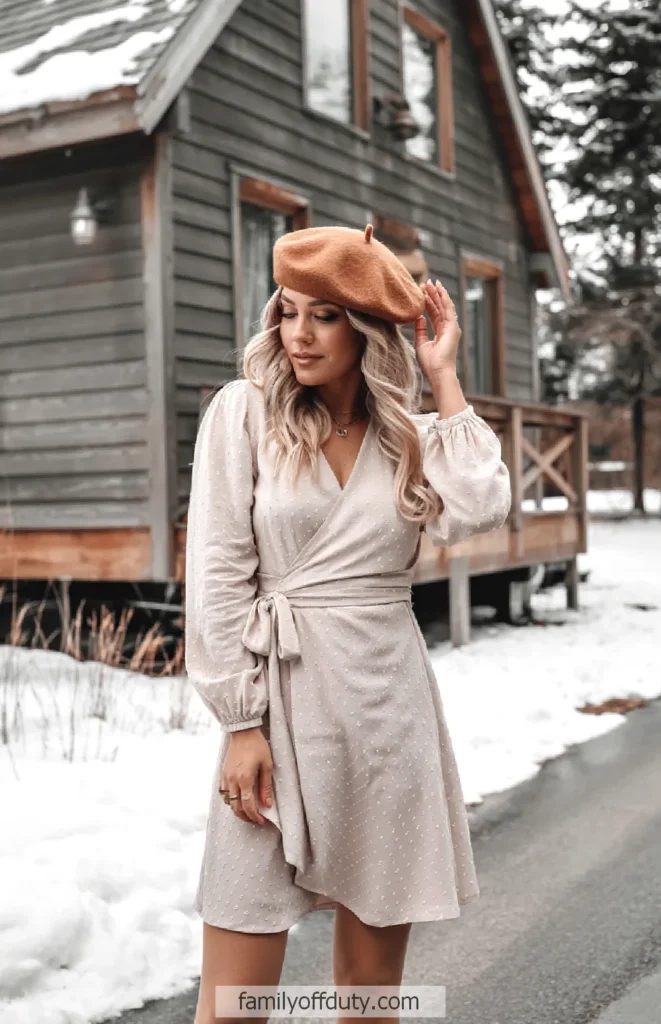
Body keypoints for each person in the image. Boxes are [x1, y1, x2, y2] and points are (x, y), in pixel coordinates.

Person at [185, 223, 511, 1024]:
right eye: (287, 312)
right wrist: (240, 723)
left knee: (367, 1005)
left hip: (384, 715)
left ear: (364, 329)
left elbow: (480, 507)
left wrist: (442, 377)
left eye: (323, 315)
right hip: (281, 709)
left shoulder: (411, 435)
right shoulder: (245, 413)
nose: (297, 334)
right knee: (233, 1008)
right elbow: (219, 573)